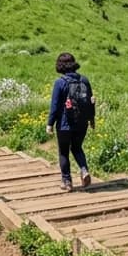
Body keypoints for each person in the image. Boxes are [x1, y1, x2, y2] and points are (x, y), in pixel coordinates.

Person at [47, 52, 95, 192]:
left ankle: (67, 181)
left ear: (60, 65)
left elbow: (55, 106)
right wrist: (92, 119)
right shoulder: (84, 80)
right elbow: (91, 101)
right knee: (77, 148)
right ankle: (84, 169)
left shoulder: (60, 82)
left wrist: (50, 124)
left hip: (64, 124)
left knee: (63, 152)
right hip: (82, 123)